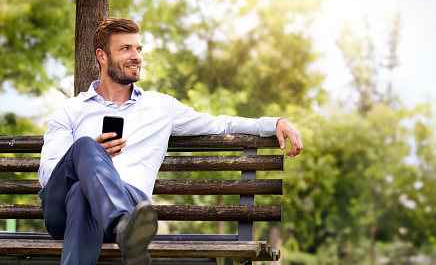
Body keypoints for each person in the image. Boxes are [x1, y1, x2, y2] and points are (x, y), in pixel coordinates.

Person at [38, 17, 303, 265]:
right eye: (126, 49)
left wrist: (274, 122)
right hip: (61, 211)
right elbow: (49, 175)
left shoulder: (161, 106)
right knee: (84, 150)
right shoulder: (70, 110)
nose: (136, 57)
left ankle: (123, 228)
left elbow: (221, 124)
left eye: (139, 49)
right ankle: (123, 226)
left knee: (82, 196)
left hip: (126, 200)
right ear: (102, 56)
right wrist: (86, 159)